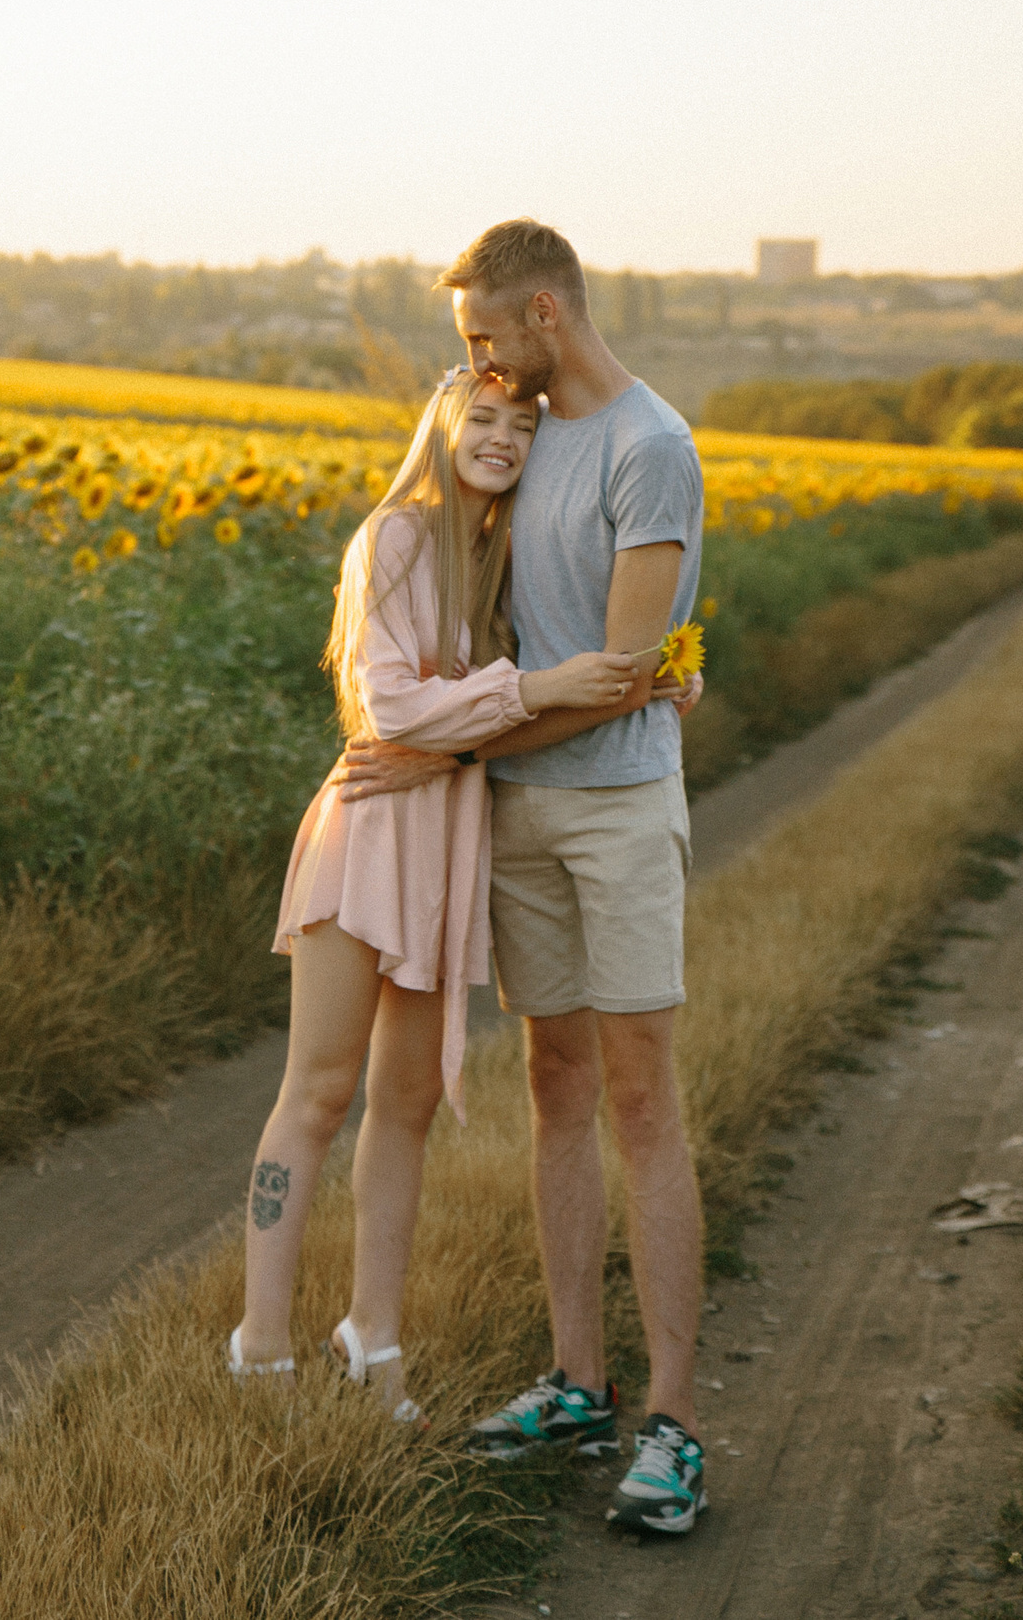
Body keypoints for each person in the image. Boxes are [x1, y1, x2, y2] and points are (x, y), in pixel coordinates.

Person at [340, 218, 710, 1536]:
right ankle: (575, 1376)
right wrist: (449, 744)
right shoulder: (524, 429)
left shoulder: (648, 448)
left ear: (547, 312)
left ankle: (672, 1419)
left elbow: (618, 676)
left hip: (612, 810)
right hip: (513, 815)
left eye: (487, 336)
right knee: (554, 1082)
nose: (479, 365)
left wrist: (445, 742)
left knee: (640, 1092)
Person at [229, 366, 656, 1423]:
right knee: (318, 1093)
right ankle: (260, 1345)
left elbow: (474, 726)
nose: (502, 437)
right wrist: (534, 690)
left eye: (523, 425)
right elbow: (390, 705)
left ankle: (372, 1336)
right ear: (443, 421)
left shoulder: (502, 560)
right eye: (484, 416)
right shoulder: (397, 536)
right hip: (366, 835)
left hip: (447, 845)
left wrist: (657, 674)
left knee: (407, 1105)